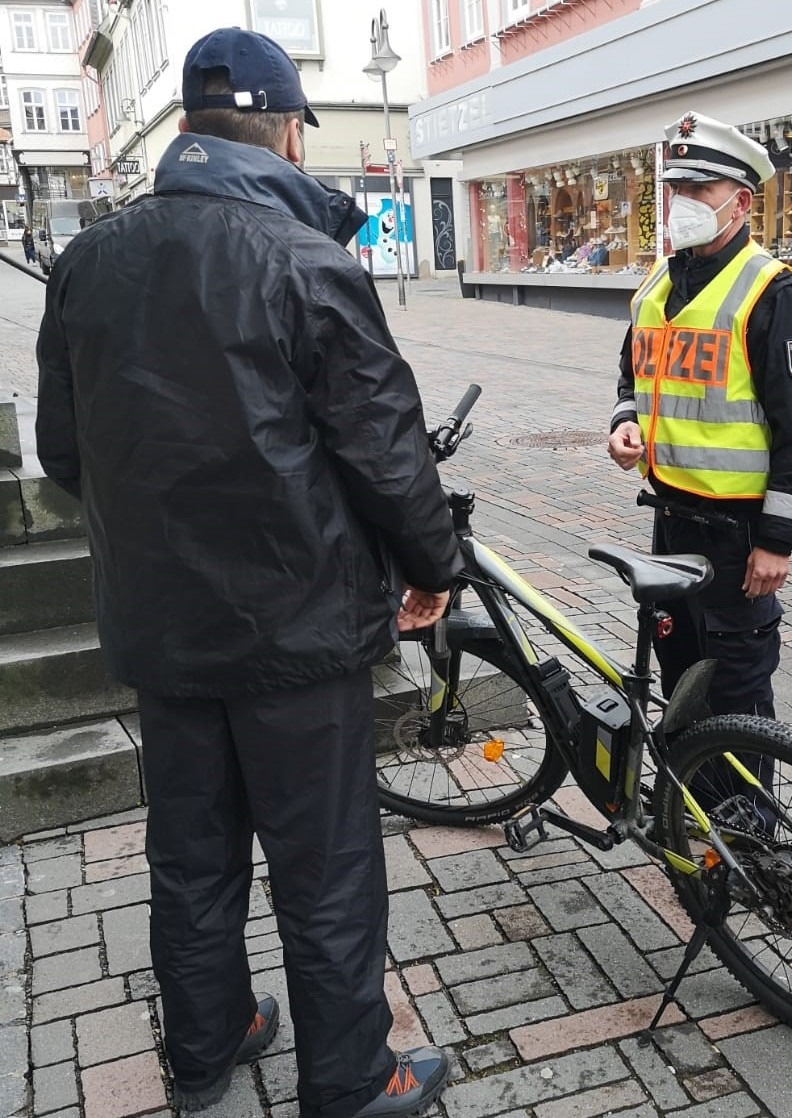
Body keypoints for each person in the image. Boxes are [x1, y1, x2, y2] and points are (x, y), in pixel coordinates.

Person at [35, 28, 458, 1118]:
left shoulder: (89, 261)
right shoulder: (305, 259)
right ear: (280, 129)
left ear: (187, 128)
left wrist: (160, 541)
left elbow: (66, 453)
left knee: (192, 853)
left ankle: (206, 1049)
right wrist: (431, 564)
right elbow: (384, 445)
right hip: (297, 631)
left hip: (167, 632)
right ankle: (350, 1080)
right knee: (323, 869)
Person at [608, 110, 792, 730]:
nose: (681, 201)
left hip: (738, 537)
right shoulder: (659, 280)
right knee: (680, 673)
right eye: (676, 188)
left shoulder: (771, 291)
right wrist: (627, 421)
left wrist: (775, 542)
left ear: (739, 204)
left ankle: (745, 821)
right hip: (669, 518)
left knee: (735, 688)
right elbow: (634, 370)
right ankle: (691, 809)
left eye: (698, 190)